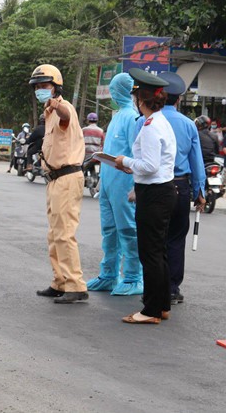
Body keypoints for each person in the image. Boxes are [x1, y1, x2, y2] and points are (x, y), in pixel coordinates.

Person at [113, 68, 176, 324]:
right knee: (157, 252)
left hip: (153, 194)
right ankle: (161, 305)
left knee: (149, 253)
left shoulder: (150, 126)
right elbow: (153, 164)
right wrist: (131, 165)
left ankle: (150, 310)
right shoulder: (160, 122)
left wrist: (124, 160)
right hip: (160, 191)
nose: (135, 103)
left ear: (142, 100)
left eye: (136, 98)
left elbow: (149, 166)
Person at [29, 64, 88, 304]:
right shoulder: (48, 113)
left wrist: (55, 103)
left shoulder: (64, 108)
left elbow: (65, 113)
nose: (41, 90)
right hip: (54, 179)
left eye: (45, 85)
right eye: (38, 86)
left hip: (67, 177)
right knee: (54, 235)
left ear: (56, 87)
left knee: (65, 234)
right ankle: (60, 282)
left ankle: (75, 285)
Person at [86, 73, 143, 296]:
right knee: (109, 230)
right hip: (109, 182)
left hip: (123, 182)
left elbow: (135, 153)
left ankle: (133, 276)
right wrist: (101, 180)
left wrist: (135, 185)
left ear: (125, 91)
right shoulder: (117, 116)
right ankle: (108, 274)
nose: (112, 94)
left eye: (114, 90)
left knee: (128, 230)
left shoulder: (132, 117)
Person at [157, 72, 206, 306]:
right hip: (181, 185)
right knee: (176, 237)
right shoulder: (188, 125)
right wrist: (200, 192)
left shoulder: (148, 121)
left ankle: (155, 286)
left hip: (155, 186)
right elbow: (196, 162)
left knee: (155, 237)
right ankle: (173, 287)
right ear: (178, 100)